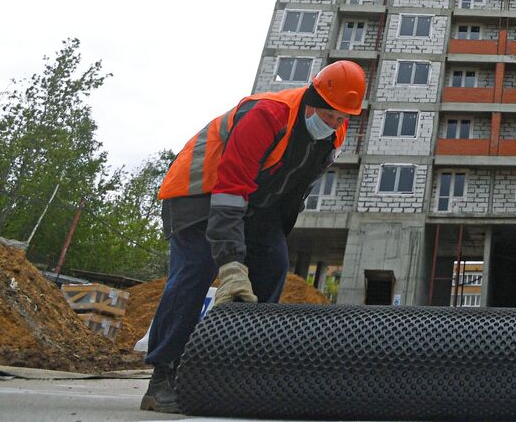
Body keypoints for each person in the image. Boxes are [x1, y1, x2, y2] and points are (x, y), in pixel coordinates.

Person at [139, 60, 365, 413]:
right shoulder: (269, 115)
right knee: (197, 268)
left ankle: (237, 367)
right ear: (312, 96)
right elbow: (230, 188)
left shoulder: (335, 133)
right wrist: (231, 263)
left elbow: (292, 191)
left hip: (255, 205)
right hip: (198, 193)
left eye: (341, 117)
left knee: (273, 263)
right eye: (329, 114)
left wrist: (268, 242)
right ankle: (163, 376)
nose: (335, 123)